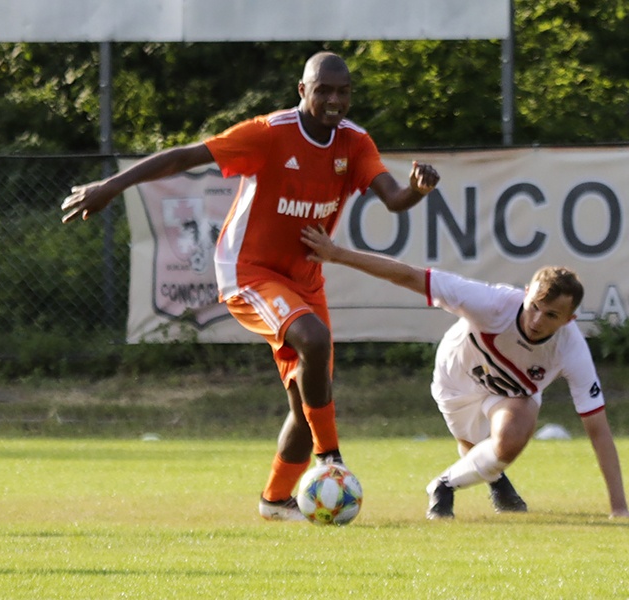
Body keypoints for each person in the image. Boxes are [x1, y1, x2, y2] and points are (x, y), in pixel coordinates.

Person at [61, 52, 440, 521]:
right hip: (248, 270)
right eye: (323, 90)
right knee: (315, 341)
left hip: (304, 280)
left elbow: (394, 198)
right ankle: (331, 459)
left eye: (343, 91)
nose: (334, 100)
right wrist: (110, 186)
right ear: (302, 91)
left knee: (307, 400)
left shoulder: (355, 144)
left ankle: (275, 501)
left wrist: (418, 191)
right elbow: (185, 155)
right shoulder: (269, 133)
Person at [300, 225, 629, 520]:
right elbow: (407, 275)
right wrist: (336, 254)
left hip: (509, 395)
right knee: (473, 450)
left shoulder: (571, 348)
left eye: (551, 316)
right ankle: (497, 481)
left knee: (513, 435)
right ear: (525, 292)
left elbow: (597, 429)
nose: (536, 321)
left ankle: (442, 485)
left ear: (569, 320)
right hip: (455, 379)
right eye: (534, 307)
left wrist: (619, 508)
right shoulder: (491, 303)